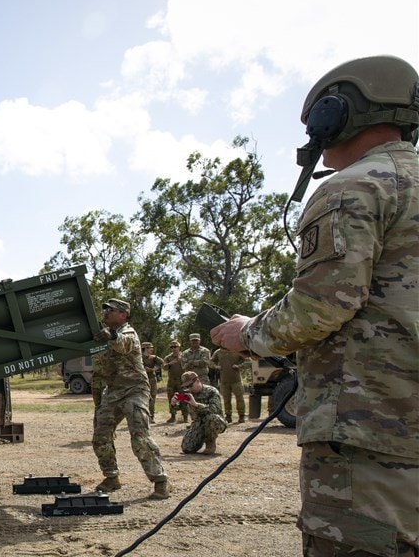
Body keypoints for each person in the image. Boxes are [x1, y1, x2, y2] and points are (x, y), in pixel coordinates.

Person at [210, 55, 418, 557]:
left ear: (335, 114)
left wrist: (247, 333)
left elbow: (319, 309)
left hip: (370, 437)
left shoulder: (354, 187)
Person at [90, 298, 169, 500]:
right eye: (105, 309)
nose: (106, 313)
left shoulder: (127, 332)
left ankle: (160, 481)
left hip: (135, 389)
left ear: (123, 315)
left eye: (111, 310)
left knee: (139, 436)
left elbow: (123, 344)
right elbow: (99, 368)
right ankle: (111, 477)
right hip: (113, 391)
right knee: (100, 435)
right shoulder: (102, 335)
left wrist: (111, 335)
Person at [171, 371, 226, 455]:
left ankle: (210, 443)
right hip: (198, 423)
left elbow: (214, 409)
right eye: (186, 387)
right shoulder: (189, 394)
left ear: (197, 381)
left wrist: (196, 404)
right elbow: (181, 408)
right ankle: (200, 438)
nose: (189, 388)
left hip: (216, 422)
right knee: (187, 448)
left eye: (190, 385)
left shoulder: (211, 391)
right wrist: (173, 404)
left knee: (210, 418)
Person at [211, 347, 247, 423]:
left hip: (236, 380)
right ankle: (228, 416)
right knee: (226, 399)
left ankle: (241, 415)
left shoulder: (236, 350)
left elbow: (247, 361)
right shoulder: (218, 352)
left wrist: (239, 366)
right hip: (224, 380)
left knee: (240, 398)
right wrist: (216, 366)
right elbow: (210, 362)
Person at [163, 341, 188, 423]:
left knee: (183, 397)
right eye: (172, 347)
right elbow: (164, 367)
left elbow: (188, 366)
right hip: (172, 380)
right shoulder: (168, 357)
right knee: (171, 398)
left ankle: (185, 416)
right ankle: (173, 416)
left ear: (179, 347)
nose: (174, 348)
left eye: (175, 347)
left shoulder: (184, 356)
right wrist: (170, 364)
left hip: (182, 380)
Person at [140, 342, 164, 423]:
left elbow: (162, 362)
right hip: (143, 380)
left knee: (152, 398)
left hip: (152, 380)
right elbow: (143, 368)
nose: (152, 349)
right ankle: (143, 416)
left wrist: (155, 357)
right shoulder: (140, 357)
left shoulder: (152, 358)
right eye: (150, 348)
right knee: (143, 398)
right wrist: (152, 369)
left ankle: (151, 416)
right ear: (146, 348)